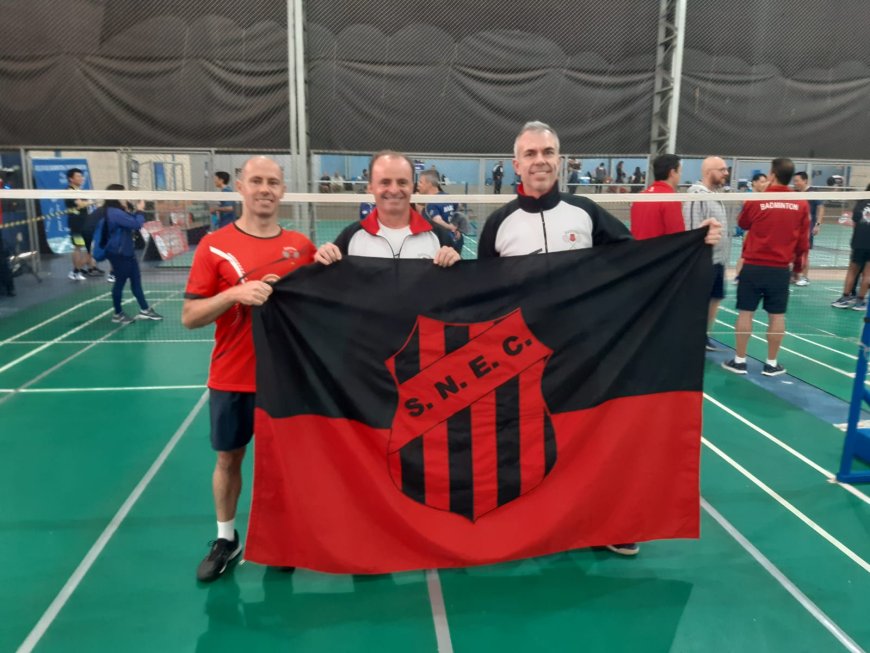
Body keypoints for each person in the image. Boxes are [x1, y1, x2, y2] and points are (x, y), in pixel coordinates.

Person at [478, 121, 721, 559]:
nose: (540, 161)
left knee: (595, 440)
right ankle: (522, 523)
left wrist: (692, 244)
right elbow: (481, 295)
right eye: (531, 154)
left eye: (547, 152)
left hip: (585, 355)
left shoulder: (586, 212)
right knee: (524, 442)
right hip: (522, 360)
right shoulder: (499, 225)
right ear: (516, 164)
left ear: (559, 159)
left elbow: (638, 260)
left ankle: (608, 523)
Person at [182, 156, 316, 582]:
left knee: (286, 464)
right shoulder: (214, 246)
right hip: (232, 376)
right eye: (256, 181)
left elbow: (322, 306)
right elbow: (189, 316)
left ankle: (283, 537)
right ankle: (226, 538)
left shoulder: (302, 248)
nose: (264, 189)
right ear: (240, 186)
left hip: (285, 380)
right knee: (229, 458)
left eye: (273, 182)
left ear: (283, 191)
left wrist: (329, 261)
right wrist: (234, 294)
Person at [722, 158, 809, 377]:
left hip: (753, 267)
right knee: (777, 316)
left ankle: (740, 361)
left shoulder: (759, 198)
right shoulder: (801, 203)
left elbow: (742, 224)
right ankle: (771, 363)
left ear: (772, 174)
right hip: (780, 270)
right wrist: (798, 268)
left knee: (745, 313)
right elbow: (802, 243)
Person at [315, 151, 459, 266]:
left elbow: (456, 289)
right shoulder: (350, 237)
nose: (394, 190)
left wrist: (454, 262)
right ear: (371, 187)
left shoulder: (439, 236)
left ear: (411, 187)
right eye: (385, 182)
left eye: (402, 182)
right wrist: (323, 259)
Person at [99, 185, 164, 325]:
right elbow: (136, 224)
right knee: (120, 283)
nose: (126, 196)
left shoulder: (119, 211)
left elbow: (131, 222)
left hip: (127, 251)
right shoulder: (113, 212)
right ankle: (118, 314)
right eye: (124, 194)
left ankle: (145, 310)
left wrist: (133, 211)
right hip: (118, 253)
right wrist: (140, 210)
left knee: (136, 280)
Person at [684, 157, 730, 351]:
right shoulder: (697, 195)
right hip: (704, 262)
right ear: (708, 171)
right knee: (697, 303)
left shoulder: (715, 194)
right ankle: (689, 337)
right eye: (722, 170)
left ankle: (702, 336)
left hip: (719, 260)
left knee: (715, 298)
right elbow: (693, 229)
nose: (726, 173)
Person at [831, 184, 870, 311]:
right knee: (868, 274)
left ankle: (845, 298)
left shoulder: (861, 203)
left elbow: (855, 221)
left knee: (852, 271)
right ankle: (860, 301)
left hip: (858, 242)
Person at [630, 154, 684, 240]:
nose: (681, 175)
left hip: (637, 251)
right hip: (660, 251)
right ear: (672, 173)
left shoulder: (639, 198)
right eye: (680, 171)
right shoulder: (671, 199)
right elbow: (677, 237)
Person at [64, 168, 103, 280]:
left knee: (88, 248)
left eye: (81, 176)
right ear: (71, 179)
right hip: (77, 223)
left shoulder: (79, 190)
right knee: (79, 247)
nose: (81, 178)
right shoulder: (69, 190)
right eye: (78, 176)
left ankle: (85, 269)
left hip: (85, 222)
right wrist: (91, 201)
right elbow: (80, 204)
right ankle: (76, 271)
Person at [417, 169, 463, 254]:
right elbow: (459, 208)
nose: (418, 185)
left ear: (429, 184)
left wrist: (451, 227)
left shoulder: (431, 203)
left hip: (441, 245)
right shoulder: (448, 197)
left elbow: (437, 220)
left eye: (420, 182)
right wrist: (457, 228)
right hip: (456, 241)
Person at [791, 171, 824, 286]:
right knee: (793, 252)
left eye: (797, 181)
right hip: (794, 228)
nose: (795, 183)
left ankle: (804, 277)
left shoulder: (813, 192)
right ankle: (794, 275)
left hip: (807, 228)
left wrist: (818, 224)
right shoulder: (795, 193)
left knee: (804, 253)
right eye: (794, 181)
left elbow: (821, 207)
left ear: (804, 180)